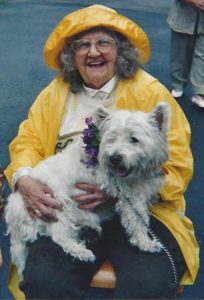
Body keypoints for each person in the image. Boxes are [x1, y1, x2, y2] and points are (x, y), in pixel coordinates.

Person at [5, 4, 199, 300]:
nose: (93, 52)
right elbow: (27, 142)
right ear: (72, 55)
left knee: (148, 286)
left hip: (140, 209)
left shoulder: (150, 92)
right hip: (68, 208)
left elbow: (178, 164)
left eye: (103, 43)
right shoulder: (55, 92)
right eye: (83, 45)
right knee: (45, 282)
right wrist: (24, 179)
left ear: (120, 51)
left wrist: (120, 191)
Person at [167, 0, 204, 107]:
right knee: (179, 53)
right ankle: (178, 83)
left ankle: (200, 91)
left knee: (202, 55)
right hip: (182, 16)